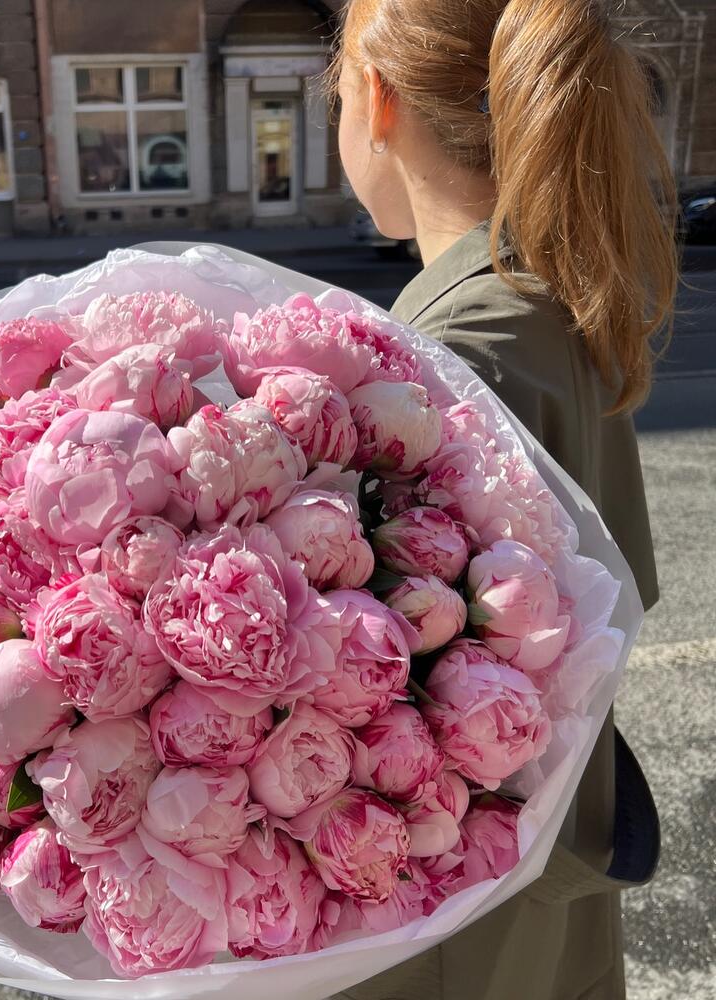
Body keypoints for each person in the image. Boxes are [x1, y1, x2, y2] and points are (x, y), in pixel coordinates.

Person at [331, 1, 678, 998]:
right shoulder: (542, 292)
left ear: (378, 99)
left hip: (452, 914)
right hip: (531, 876)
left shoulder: (447, 357)